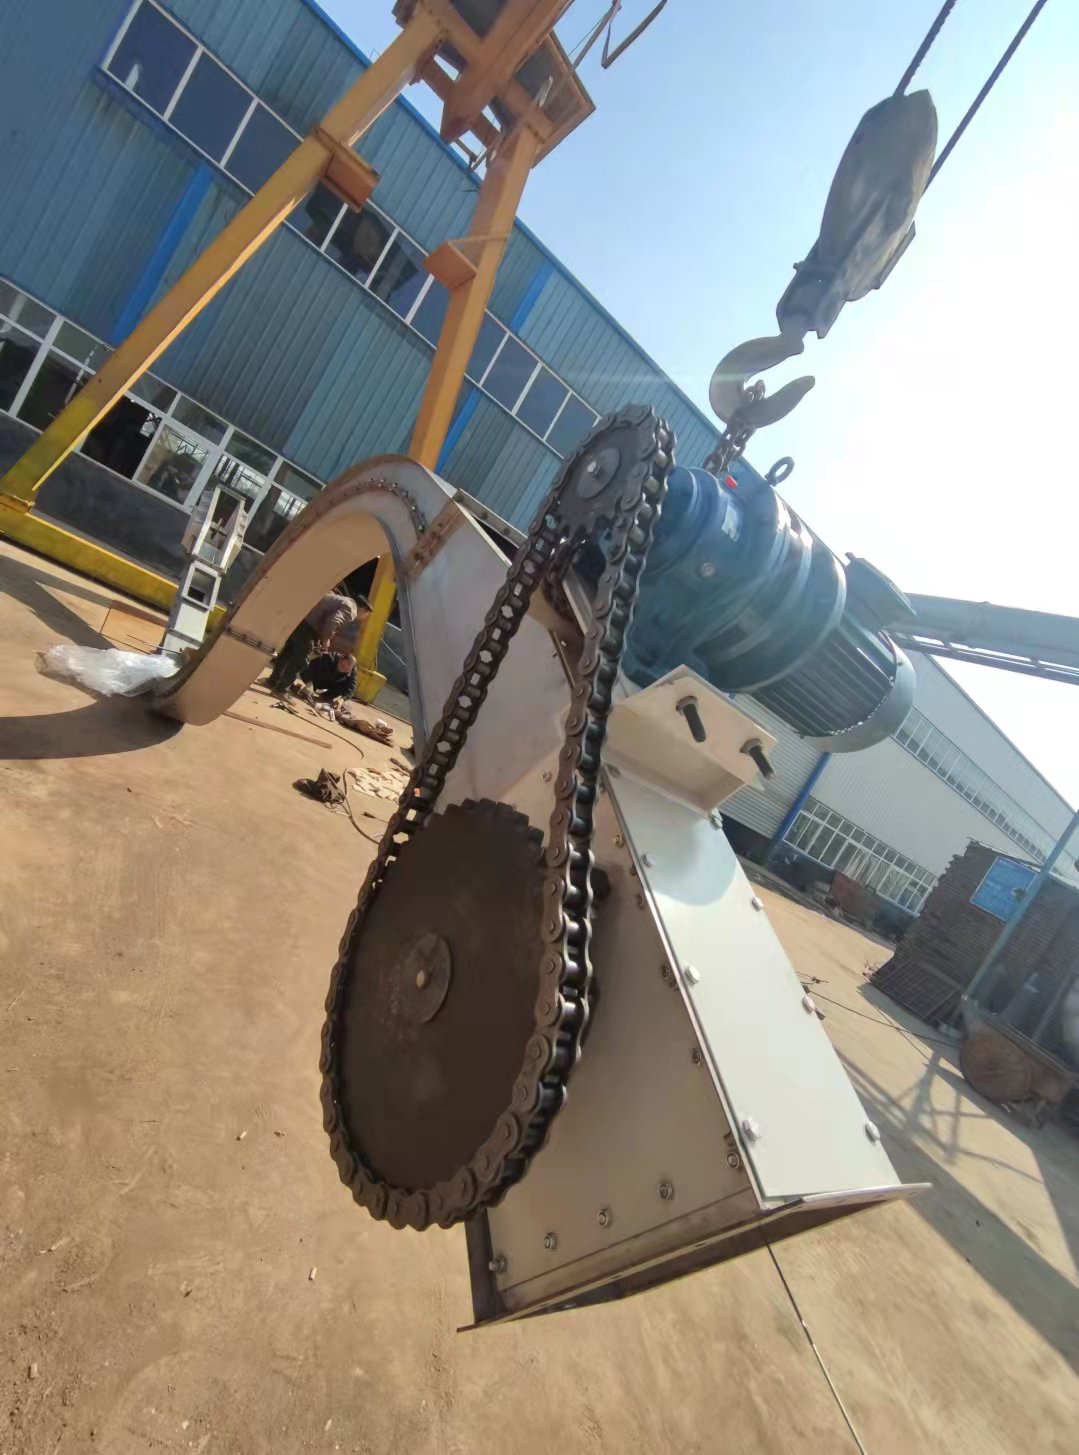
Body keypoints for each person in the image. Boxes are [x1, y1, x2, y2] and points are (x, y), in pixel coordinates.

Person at [266, 589, 358, 695]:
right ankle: (280, 690)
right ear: (363, 610)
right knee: (301, 660)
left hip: (301, 621)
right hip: (308, 628)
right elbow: (333, 622)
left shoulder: (334, 598)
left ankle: (272, 682)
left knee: (288, 652)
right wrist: (325, 641)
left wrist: (319, 639)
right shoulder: (350, 608)